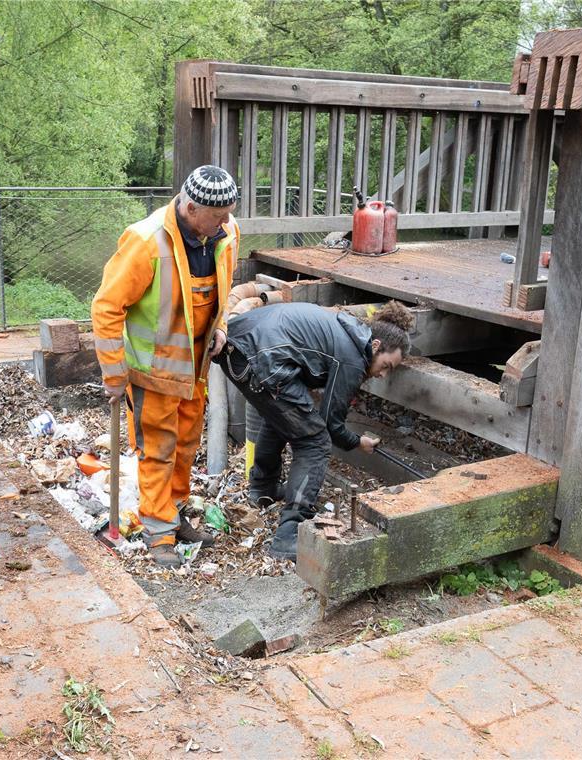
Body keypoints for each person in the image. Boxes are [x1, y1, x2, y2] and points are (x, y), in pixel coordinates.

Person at [92, 166, 240, 567]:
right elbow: (106, 307)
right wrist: (113, 373)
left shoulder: (226, 234)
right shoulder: (145, 241)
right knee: (158, 450)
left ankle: (174, 514)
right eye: (218, 215)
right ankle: (158, 532)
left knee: (186, 446)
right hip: (153, 372)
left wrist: (221, 326)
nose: (227, 222)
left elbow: (223, 290)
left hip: (193, 368)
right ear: (192, 209)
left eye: (229, 213)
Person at [215, 301, 414, 561]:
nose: (383, 375)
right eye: (386, 366)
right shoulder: (354, 358)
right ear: (375, 346)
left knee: (284, 418)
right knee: (315, 442)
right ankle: (290, 533)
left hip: (237, 347)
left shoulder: (347, 333)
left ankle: (263, 489)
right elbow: (331, 423)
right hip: (261, 357)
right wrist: (356, 442)